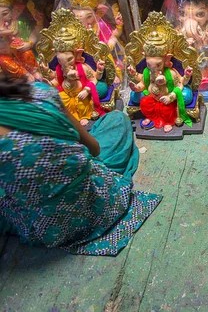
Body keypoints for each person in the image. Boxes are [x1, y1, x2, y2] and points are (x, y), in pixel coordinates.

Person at [0, 75, 161, 255]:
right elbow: (95, 149)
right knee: (116, 118)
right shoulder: (42, 92)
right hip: (100, 201)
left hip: (44, 227)